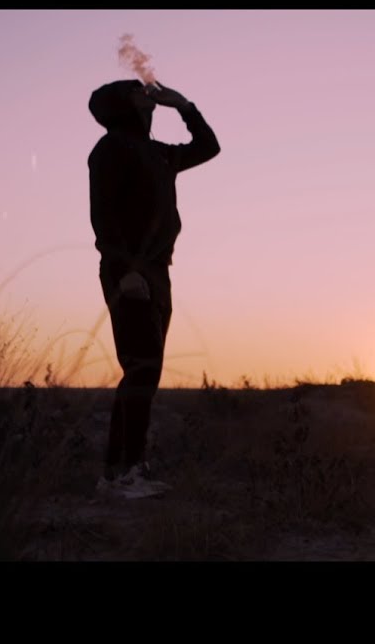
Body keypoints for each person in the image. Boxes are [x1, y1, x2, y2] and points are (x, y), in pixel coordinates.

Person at [87, 79, 220, 498]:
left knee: (145, 370)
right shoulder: (111, 148)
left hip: (158, 273)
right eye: (137, 90)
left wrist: (184, 106)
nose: (147, 93)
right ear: (121, 105)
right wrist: (127, 271)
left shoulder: (159, 153)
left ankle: (123, 470)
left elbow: (208, 147)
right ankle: (123, 473)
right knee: (141, 367)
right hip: (129, 270)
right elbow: (104, 215)